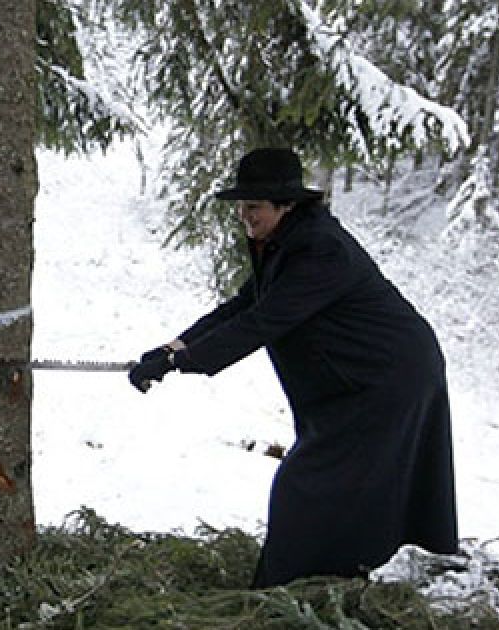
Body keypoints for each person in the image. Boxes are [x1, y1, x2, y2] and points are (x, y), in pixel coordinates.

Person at [127, 147, 458, 588]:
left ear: (287, 204)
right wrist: (171, 347)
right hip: (353, 382)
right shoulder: (284, 243)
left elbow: (263, 321)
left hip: (387, 377)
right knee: (337, 485)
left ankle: (279, 593)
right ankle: (333, 579)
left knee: (307, 485)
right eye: (241, 207)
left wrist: (182, 362)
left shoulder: (320, 250)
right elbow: (243, 305)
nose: (245, 216)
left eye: (254, 207)